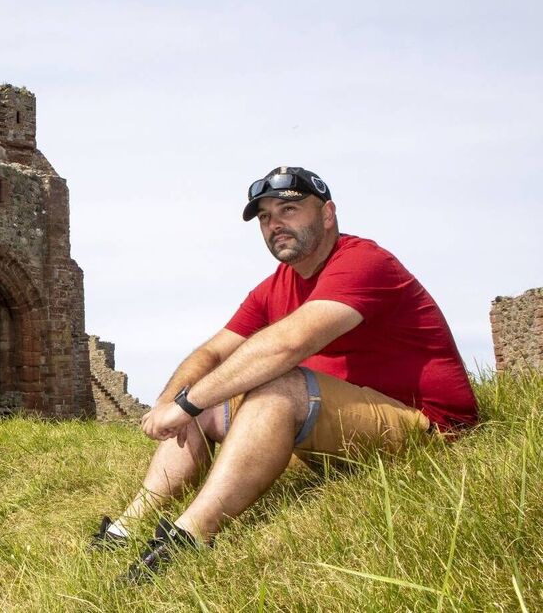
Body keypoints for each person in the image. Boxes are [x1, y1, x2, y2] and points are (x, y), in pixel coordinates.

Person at [91, 166, 478, 583]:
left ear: (327, 214)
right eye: (264, 217)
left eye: (289, 209)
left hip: (426, 431)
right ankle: (126, 528)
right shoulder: (274, 286)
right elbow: (213, 350)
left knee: (277, 381)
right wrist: (173, 401)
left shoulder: (363, 262)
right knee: (206, 398)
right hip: (336, 433)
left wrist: (187, 402)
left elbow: (287, 345)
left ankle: (188, 540)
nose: (275, 224)